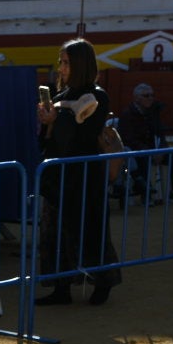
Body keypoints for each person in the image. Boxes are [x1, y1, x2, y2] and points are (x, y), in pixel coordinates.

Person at [36, 38, 122, 305]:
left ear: (81, 64)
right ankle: (61, 288)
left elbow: (85, 136)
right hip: (57, 176)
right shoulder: (61, 96)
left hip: (85, 177)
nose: (61, 68)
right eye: (60, 62)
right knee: (55, 233)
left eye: (66, 63)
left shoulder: (97, 96)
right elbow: (47, 141)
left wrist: (57, 119)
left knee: (90, 230)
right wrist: (47, 124)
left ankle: (103, 284)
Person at [115, 83, 173, 202]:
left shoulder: (153, 113)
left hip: (153, 149)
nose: (150, 98)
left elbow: (160, 133)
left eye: (152, 95)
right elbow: (129, 139)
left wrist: (162, 150)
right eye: (146, 96)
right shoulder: (127, 114)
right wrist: (149, 151)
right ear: (137, 98)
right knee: (142, 158)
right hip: (136, 150)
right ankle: (145, 192)